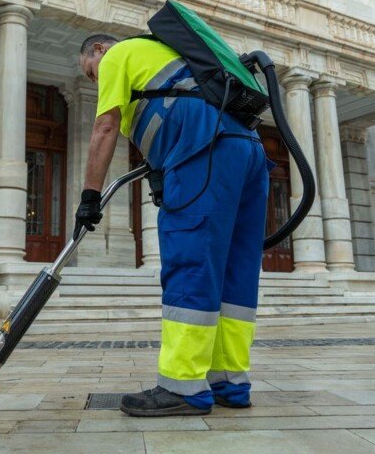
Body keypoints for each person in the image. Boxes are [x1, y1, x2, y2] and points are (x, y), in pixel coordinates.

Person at [75, 33, 273, 417]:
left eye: (90, 73)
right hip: (247, 151)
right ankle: (229, 382)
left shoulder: (119, 55)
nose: (96, 82)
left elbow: (105, 126)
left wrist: (89, 196)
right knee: (235, 271)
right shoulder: (170, 58)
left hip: (205, 151)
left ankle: (182, 385)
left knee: (191, 261)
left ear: (99, 49)